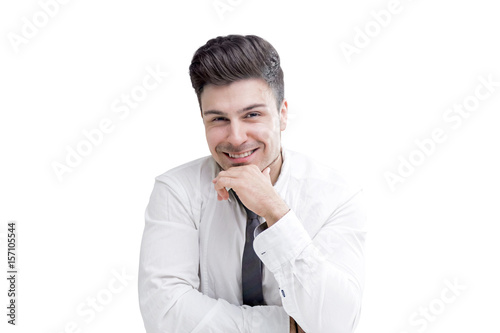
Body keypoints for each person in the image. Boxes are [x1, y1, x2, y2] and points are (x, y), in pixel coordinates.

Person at [138, 34, 366, 333]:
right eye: (218, 119)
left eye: (252, 115)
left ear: (282, 115)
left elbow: (336, 323)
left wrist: (275, 212)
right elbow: (165, 314)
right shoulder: (177, 191)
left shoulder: (335, 196)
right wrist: (286, 326)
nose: (235, 137)